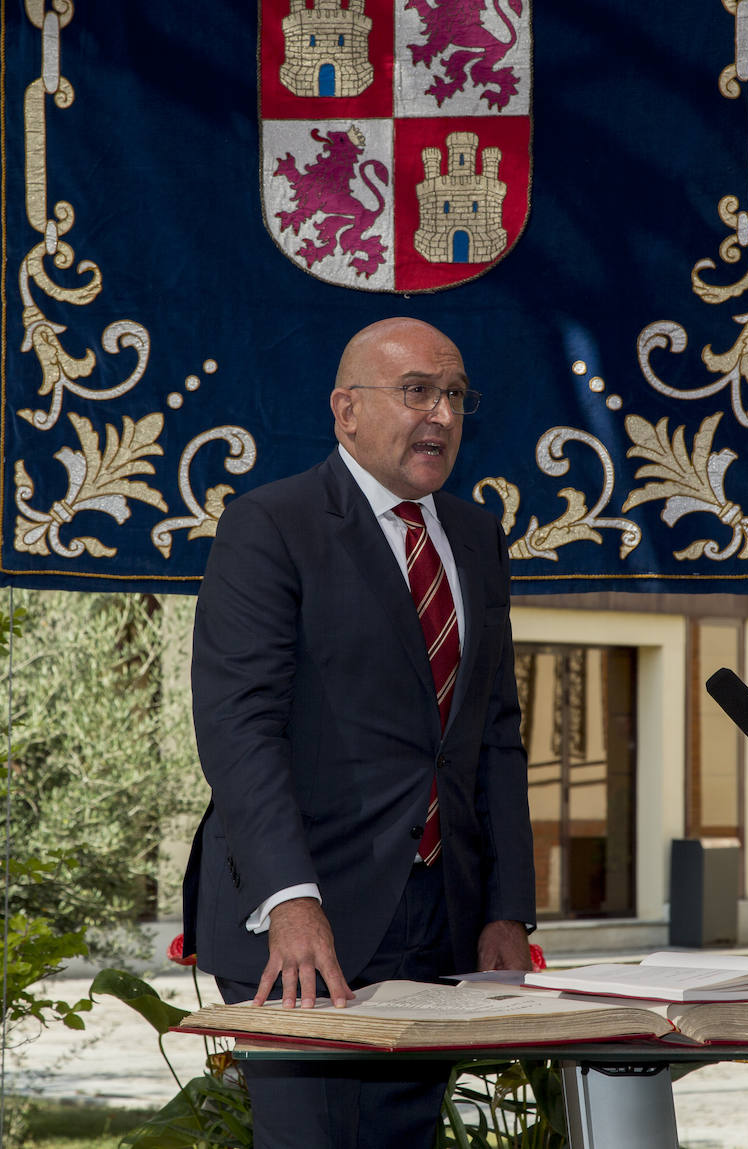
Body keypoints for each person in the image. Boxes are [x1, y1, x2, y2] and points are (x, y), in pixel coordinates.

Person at [183, 317, 536, 1149]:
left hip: (440, 917)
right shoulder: (272, 526)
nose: (442, 416)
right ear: (346, 410)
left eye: (454, 395)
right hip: (308, 925)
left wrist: (506, 905)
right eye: (417, 391)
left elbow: (495, 733)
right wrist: (291, 899)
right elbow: (240, 726)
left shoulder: (477, 539)